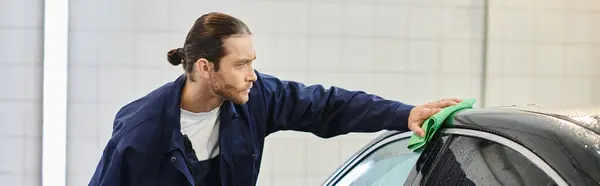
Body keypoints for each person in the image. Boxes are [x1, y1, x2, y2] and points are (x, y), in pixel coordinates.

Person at [88, 12, 461, 186]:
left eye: (253, 62)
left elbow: (328, 106)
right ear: (205, 67)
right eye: (241, 64)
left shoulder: (255, 97)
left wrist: (405, 113)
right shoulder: (141, 132)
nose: (252, 74)